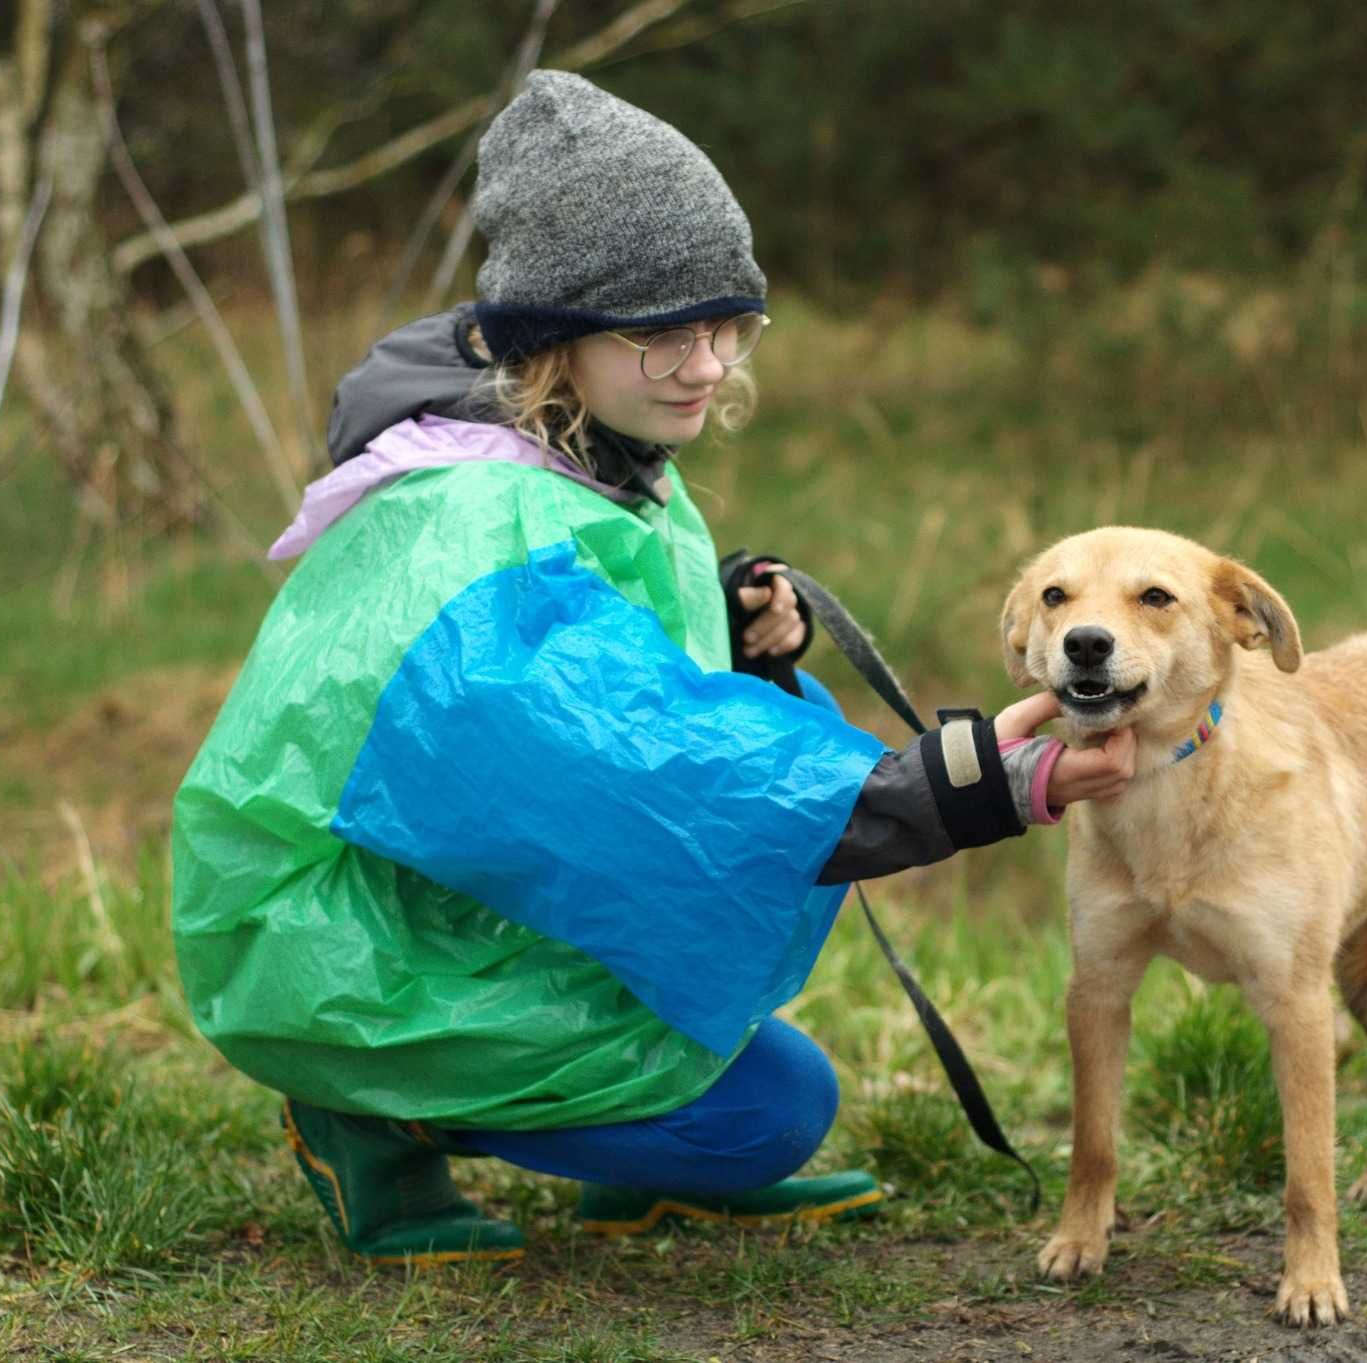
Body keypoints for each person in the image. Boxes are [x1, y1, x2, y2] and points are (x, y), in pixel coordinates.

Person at [170, 70, 1135, 1265]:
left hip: (454, 887)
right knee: (765, 1112)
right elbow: (631, 776)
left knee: (746, 1053)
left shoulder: (591, 447)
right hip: (333, 944)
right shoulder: (474, 519)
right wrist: (951, 785)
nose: (708, 365)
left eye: (730, 325)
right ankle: (366, 1111)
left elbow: (607, 696)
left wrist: (728, 635)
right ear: (552, 338)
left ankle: (612, 1170)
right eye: (662, 335)